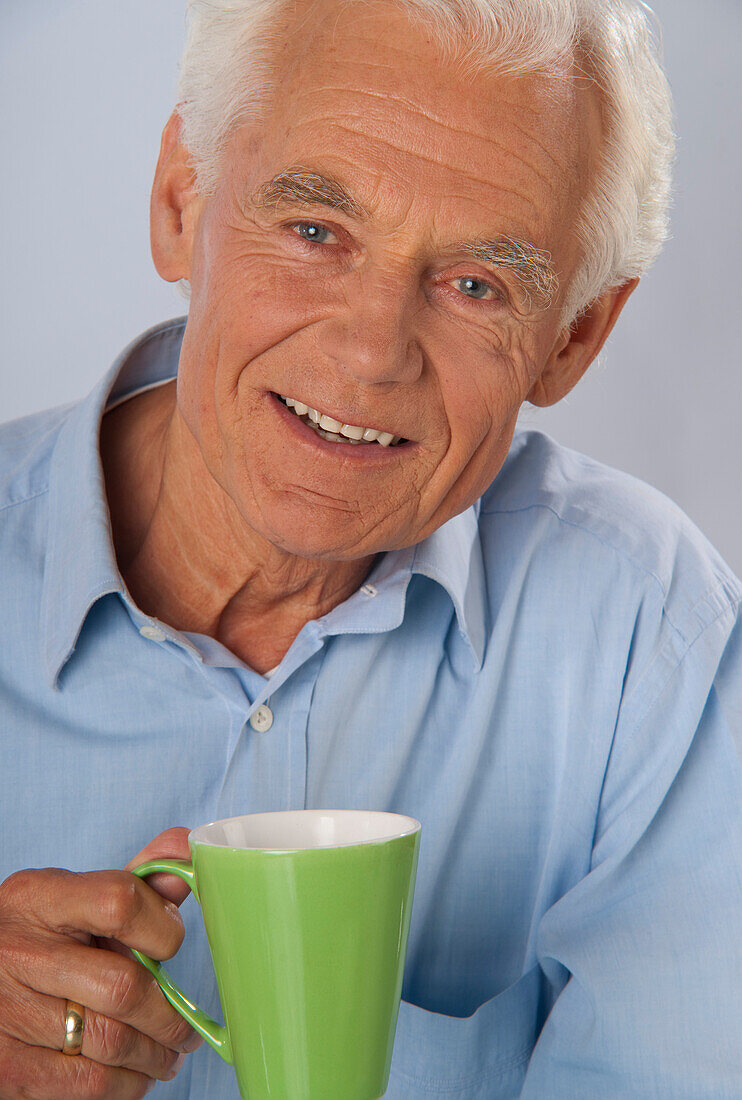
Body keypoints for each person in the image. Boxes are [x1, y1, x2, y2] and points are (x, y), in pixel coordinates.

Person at [1, 0, 740, 1096]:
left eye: (476, 284)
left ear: (573, 336)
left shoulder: (647, 632)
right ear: (179, 199)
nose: (370, 349)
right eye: (314, 231)